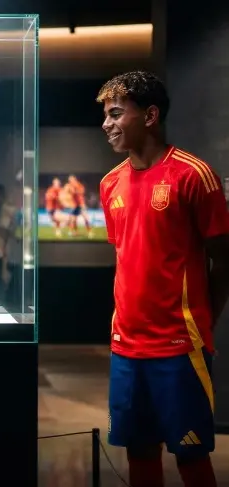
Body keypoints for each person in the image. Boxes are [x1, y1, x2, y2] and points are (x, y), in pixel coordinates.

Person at [97, 71, 229, 487]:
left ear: (150, 116)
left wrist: (200, 326)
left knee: (191, 458)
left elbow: (224, 261)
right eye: (106, 115)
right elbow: (128, 257)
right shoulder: (109, 184)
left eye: (116, 113)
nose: (106, 124)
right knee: (139, 453)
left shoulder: (193, 175)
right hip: (125, 346)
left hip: (179, 348)